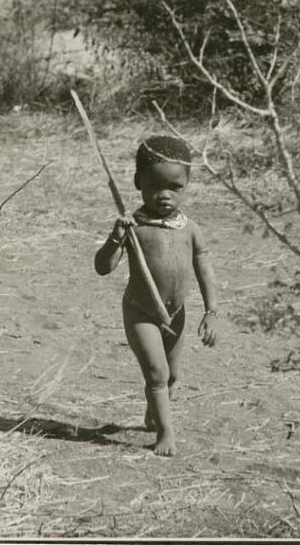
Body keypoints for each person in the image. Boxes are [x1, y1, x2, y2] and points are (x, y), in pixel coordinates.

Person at [94, 135, 219, 456]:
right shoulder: (134, 226)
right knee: (157, 373)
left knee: (172, 374)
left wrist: (211, 311)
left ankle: (155, 410)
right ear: (138, 183)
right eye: (154, 186)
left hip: (177, 314)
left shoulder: (189, 228)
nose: (164, 195)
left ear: (187, 183)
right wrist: (115, 238)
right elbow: (103, 268)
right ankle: (165, 433)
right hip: (141, 313)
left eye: (175, 187)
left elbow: (204, 268)